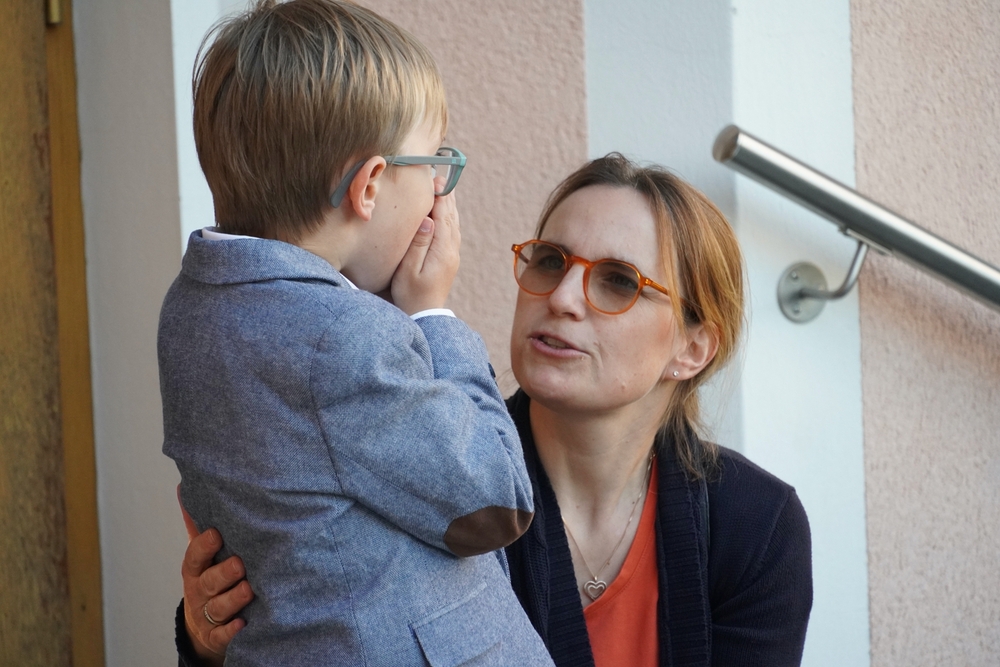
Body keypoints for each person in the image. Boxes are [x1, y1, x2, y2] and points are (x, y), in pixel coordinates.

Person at [176, 154, 813, 666]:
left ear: (692, 349)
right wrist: (211, 643)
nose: (562, 297)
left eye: (618, 281)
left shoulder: (756, 526)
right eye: (550, 261)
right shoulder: (432, 476)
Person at [159, 1, 553, 665]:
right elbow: (494, 501)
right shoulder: (344, 338)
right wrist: (431, 315)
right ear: (369, 185)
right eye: (431, 164)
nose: (439, 190)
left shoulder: (192, 307)